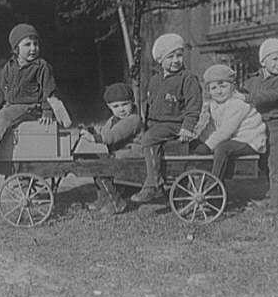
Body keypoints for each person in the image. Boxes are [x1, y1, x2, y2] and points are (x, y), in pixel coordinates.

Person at [0, 23, 57, 167]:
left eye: (35, 44)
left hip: (31, 108)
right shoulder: (8, 68)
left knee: (5, 115)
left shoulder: (41, 66)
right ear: (16, 49)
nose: (33, 48)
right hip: (13, 107)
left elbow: (48, 91)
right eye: (27, 45)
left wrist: (47, 111)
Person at [131, 33, 202, 203]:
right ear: (160, 60)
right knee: (141, 139)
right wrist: (144, 124)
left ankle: (153, 184)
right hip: (155, 124)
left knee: (149, 138)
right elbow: (148, 104)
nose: (176, 60)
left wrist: (188, 126)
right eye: (170, 57)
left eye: (179, 55)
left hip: (174, 124)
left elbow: (194, 105)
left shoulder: (187, 79)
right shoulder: (155, 80)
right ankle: (151, 180)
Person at [239, 38, 278, 215]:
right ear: (263, 61)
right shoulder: (254, 81)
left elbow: (272, 96)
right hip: (261, 126)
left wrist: (248, 98)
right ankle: (270, 195)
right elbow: (241, 91)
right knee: (264, 162)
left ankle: (275, 202)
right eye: (275, 59)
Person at [193, 64, 267, 183]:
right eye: (214, 88)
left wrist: (208, 146)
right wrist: (202, 140)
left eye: (223, 86)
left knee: (222, 148)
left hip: (249, 138)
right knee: (206, 145)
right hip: (234, 138)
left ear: (232, 87)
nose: (219, 91)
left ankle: (214, 185)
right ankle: (203, 177)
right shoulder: (214, 105)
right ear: (209, 91)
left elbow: (226, 130)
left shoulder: (237, 104)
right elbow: (212, 126)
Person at [79, 82, 143, 214]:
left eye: (125, 104)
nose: (121, 109)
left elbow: (113, 135)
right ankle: (103, 199)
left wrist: (94, 138)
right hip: (122, 152)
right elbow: (106, 131)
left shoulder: (133, 119)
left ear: (132, 102)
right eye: (116, 106)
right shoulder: (114, 119)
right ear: (109, 107)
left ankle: (115, 203)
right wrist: (94, 130)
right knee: (95, 164)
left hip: (133, 154)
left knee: (102, 167)